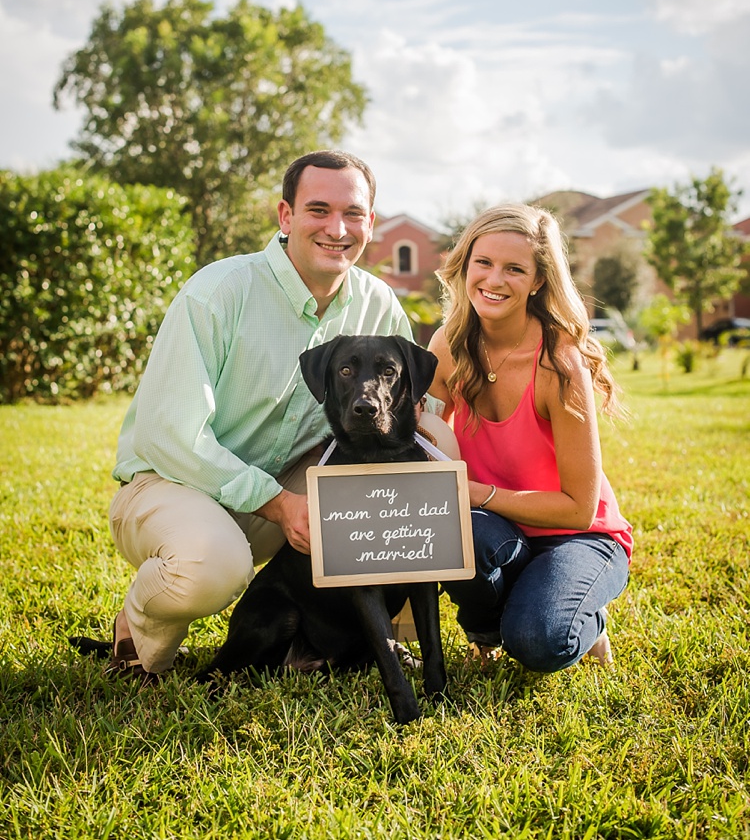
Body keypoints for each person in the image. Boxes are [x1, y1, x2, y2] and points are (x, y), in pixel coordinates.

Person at [108, 150, 431, 680]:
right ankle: (136, 629)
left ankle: (389, 638)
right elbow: (168, 434)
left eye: (353, 213)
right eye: (318, 210)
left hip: (283, 485)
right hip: (171, 482)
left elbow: (412, 409)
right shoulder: (219, 292)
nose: (337, 228)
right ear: (286, 216)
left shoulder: (378, 304)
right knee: (213, 567)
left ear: (371, 223)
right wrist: (278, 503)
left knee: (408, 496)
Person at [428, 203, 632, 672]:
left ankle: (587, 617)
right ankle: (487, 625)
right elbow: (422, 434)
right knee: (457, 531)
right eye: (484, 263)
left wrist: (475, 493)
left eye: (515, 269)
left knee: (539, 641)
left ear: (538, 281)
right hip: (498, 531)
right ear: (466, 265)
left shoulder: (559, 364)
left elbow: (579, 507)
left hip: (578, 537)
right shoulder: (448, 346)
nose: (494, 280)